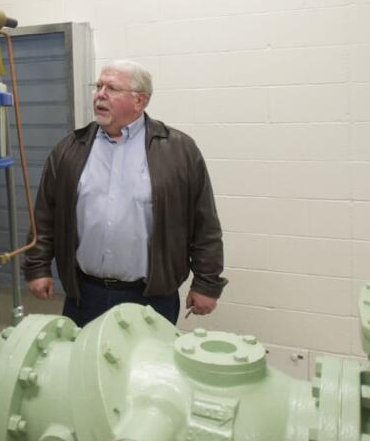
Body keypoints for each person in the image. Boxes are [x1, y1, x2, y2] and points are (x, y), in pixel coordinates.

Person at [22, 60, 225, 327]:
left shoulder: (179, 151)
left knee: (146, 369)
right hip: (85, 295)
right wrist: (37, 268)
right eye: (98, 86)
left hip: (151, 298)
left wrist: (207, 284)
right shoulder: (70, 149)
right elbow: (45, 216)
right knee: (83, 367)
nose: (100, 95)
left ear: (140, 101)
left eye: (112, 88)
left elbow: (204, 225)